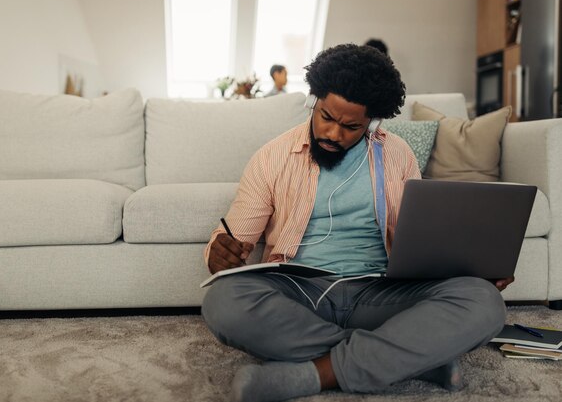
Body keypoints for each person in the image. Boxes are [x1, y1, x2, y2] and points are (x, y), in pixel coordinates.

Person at [201, 44, 513, 402]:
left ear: (373, 122)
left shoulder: (398, 156)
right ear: (312, 102)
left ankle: (317, 373)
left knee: (484, 302)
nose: (333, 133)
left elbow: (423, 238)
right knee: (223, 301)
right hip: (302, 294)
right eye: (326, 117)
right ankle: (413, 358)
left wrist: (476, 266)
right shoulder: (272, 157)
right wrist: (219, 253)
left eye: (350, 126)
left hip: (379, 292)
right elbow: (232, 241)